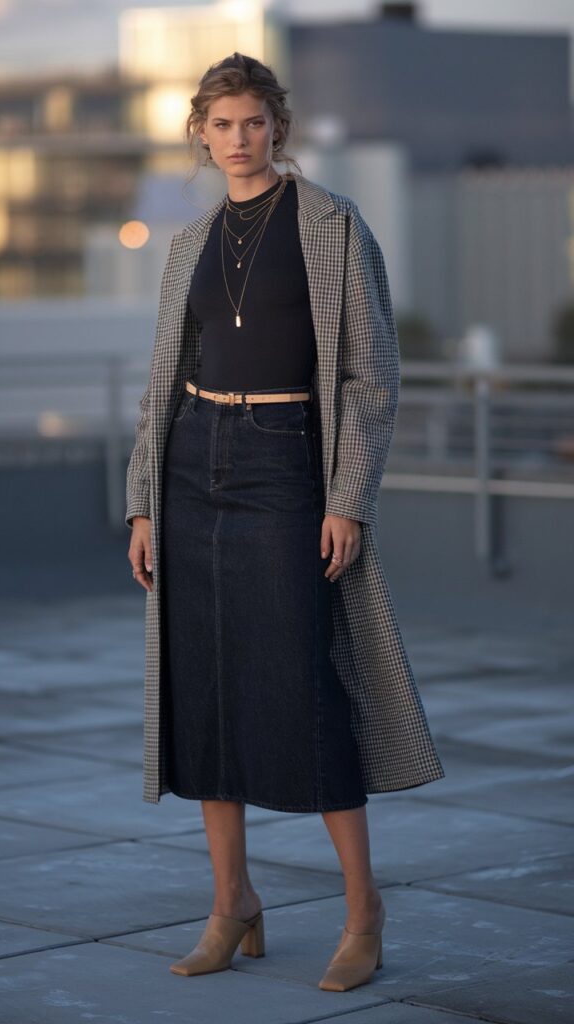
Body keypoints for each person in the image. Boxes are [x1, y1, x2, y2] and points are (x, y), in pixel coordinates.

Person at [126, 52, 444, 991]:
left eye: (253, 123)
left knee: (305, 688)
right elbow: (155, 384)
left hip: (284, 463)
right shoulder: (186, 244)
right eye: (220, 125)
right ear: (200, 133)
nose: (237, 140)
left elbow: (372, 375)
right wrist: (142, 498)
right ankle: (233, 905)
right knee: (202, 693)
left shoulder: (333, 225)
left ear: (279, 128)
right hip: (191, 462)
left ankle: (362, 913)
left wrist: (347, 497)